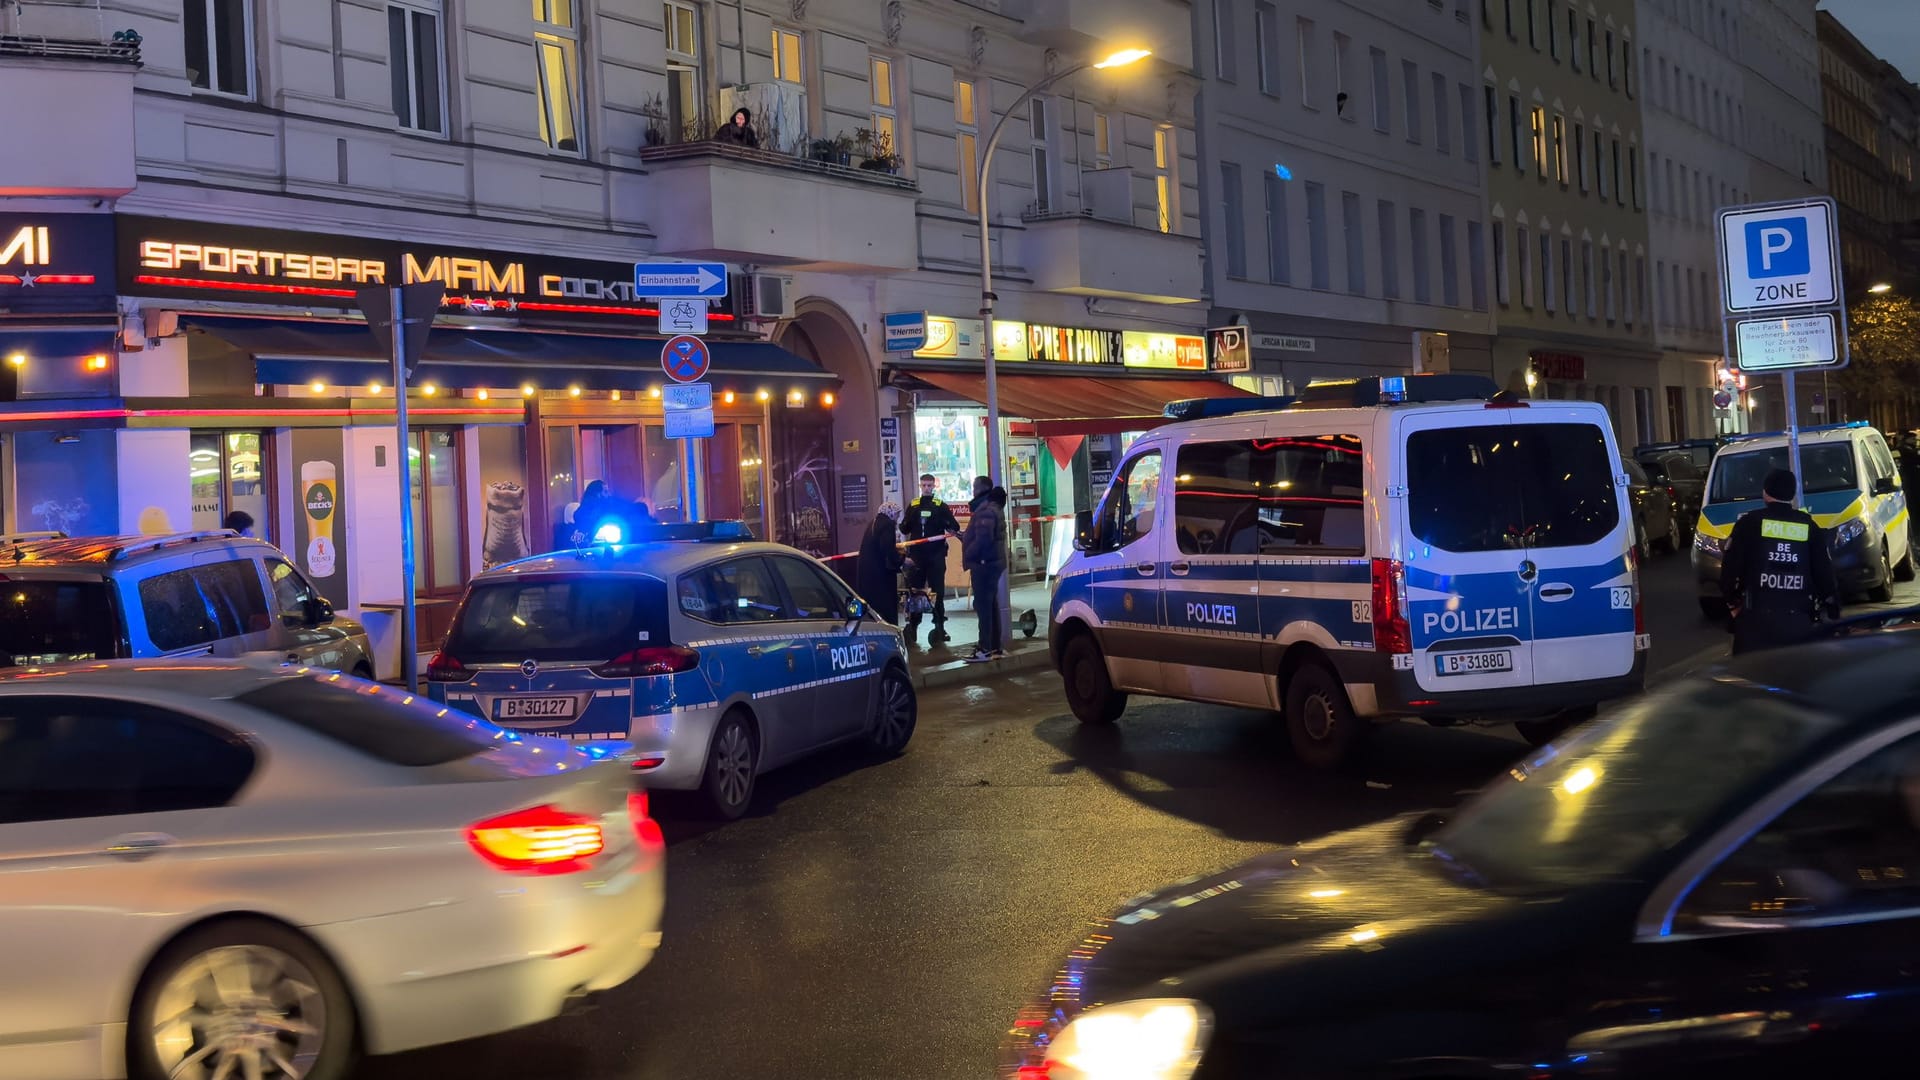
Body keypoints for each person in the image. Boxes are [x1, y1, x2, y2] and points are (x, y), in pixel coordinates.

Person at [1720, 467, 1839, 655]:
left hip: (1755, 623)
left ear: (1765, 493)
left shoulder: (1749, 523)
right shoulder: (1808, 525)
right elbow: (1824, 574)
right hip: (1798, 624)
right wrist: (1832, 611)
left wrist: (1733, 604)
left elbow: (1730, 569)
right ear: (1792, 495)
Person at [900, 473, 960, 647]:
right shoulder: (914, 505)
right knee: (915, 592)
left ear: (934, 486)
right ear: (920, 486)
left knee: (938, 592)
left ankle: (939, 626)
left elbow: (954, 526)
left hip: (936, 555)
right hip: (917, 557)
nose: (927, 488)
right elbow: (904, 527)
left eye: (929, 485)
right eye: (924, 485)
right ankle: (913, 626)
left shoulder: (940, 506)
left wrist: (944, 523)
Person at [962, 486, 1009, 663]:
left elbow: (983, 540)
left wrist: (969, 553)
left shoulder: (986, 512)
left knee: (983, 606)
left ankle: (984, 649)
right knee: (991, 605)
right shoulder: (996, 511)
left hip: (984, 565)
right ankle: (995, 646)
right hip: (993, 563)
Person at [856, 502, 906, 626]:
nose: (897, 518)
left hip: (867, 573)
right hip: (880, 574)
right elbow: (887, 549)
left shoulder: (873, 522)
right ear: (891, 513)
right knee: (885, 606)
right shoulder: (887, 525)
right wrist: (902, 560)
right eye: (897, 514)